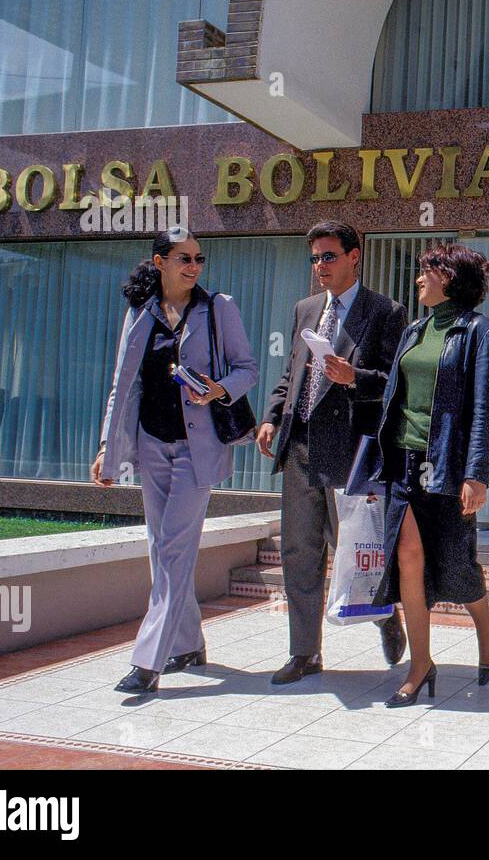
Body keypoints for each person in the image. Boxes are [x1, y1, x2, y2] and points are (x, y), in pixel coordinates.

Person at [93, 226, 259, 695]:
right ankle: (187, 644)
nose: (193, 266)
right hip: (151, 443)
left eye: (198, 258)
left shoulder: (218, 308)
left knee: (173, 550)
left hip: (197, 448)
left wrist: (219, 389)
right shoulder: (140, 313)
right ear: (159, 262)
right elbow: (123, 385)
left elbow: (247, 369)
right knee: (159, 549)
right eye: (184, 258)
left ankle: (148, 662)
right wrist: (107, 447)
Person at [348, 243, 489, 707]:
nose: (419, 279)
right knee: (408, 558)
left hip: (447, 464)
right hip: (402, 460)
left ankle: (486, 628)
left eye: (428, 271)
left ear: (450, 278)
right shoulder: (414, 330)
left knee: (456, 563)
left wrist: (477, 474)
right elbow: (395, 392)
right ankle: (421, 665)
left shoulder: (482, 332)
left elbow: (487, 408)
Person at [257, 220, 408, 684]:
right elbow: (292, 373)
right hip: (300, 446)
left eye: (328, 256)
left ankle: (385, 615)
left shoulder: (385, 311)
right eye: (314, 258)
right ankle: (304, 652)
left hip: (348, 451)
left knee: (357, 550)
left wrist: (354, 378)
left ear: (354, 256)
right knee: (299, 552)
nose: (319, 266)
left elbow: (396, 383)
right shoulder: (305, 308)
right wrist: (272, 416)